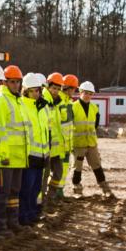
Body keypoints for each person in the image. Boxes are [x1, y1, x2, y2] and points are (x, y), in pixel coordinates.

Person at [0, 65, 29, 235]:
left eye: (17, 82)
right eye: (12, 82)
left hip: (19, 157)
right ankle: (0, 226)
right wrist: (3, 155)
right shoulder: (1, 100)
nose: (15, 85)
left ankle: (12, 222)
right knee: (2, 193)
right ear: (5, 83)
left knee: (14, 192)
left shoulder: (19, 100)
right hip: (7, 158)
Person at [71, 80, 113, 196]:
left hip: (91, 143)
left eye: (90, 93)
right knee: (77, 168)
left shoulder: (95, 108)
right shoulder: (73, 107)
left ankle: (105, 189)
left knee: (97, 165)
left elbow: (95, 125)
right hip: (78, 144)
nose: (88, 95)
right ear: (80, 92)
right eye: (86, 93)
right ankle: (77, 190)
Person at [19, 73, 50, 224]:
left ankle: (32, 214)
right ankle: (24, 216)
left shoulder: (43, 108)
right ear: (25, 91)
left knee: (36, 188)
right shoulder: (22, 106)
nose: (36, 94)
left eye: (38, 90)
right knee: (26, 189)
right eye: (32, 91)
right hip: (29, 156)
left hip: (42, 156)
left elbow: (46, 131)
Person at [43, 72, 69, 204]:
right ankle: (42, 201)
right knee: (45, 175)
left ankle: (51, 196)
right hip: (46, 147)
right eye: (54, 88)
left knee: (58, 173)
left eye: (58, 89)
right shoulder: (43, 100)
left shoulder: (59, 102)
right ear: (48, 86)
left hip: (56, 147)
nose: (56, 91)